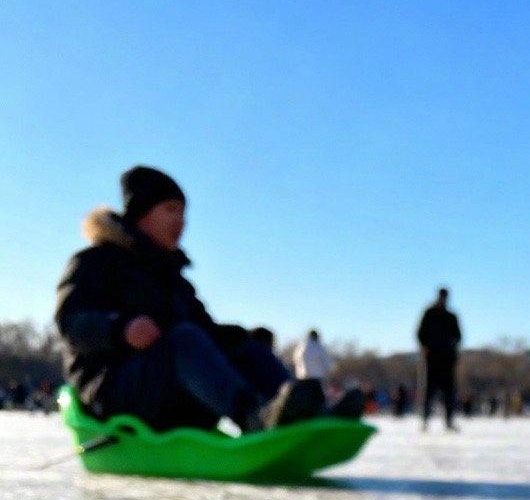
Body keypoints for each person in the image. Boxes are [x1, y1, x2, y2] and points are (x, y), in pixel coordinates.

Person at [55, 167, 350, 432]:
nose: (181, 222)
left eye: (184, 213)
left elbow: (206, 334)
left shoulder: (174, 280)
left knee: (247, 349)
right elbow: (70, 322)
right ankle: (252, 417)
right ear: (142, 214)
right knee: (184, 338)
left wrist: (243, 339)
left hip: (173, 393)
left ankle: (307, 416)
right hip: (115, 393)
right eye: (171, 210)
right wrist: (119, 328)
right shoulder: (96, 261)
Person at [417, 287, 462, 430]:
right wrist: (425, 347)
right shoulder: (429, 314)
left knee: (449, 391)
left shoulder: (451, 316)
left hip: (447, 359)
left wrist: (452, 350)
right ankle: (425, 420)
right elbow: (420, 333)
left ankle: (449, 421)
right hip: (432, 359)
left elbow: (458, 336)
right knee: (429, 390)